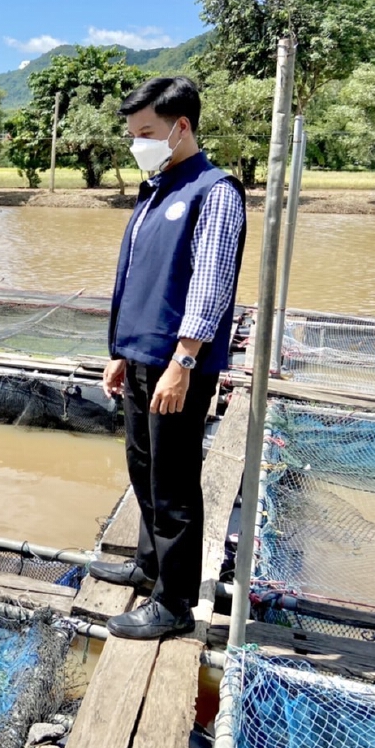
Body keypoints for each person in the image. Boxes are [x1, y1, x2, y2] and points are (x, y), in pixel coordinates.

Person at [91, 77, 246, 640]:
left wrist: (183, 362)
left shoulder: (214, 191)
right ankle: (150, 566)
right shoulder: (155, 190)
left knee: (174, 482)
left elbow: (210, 285)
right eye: (132, 134)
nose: (138, 144)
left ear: (181, 127)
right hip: (139, 358)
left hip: (178, 366)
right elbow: (135, 281)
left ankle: (175, 602)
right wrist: (119, 354)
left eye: (146, 133)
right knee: (142, 466)